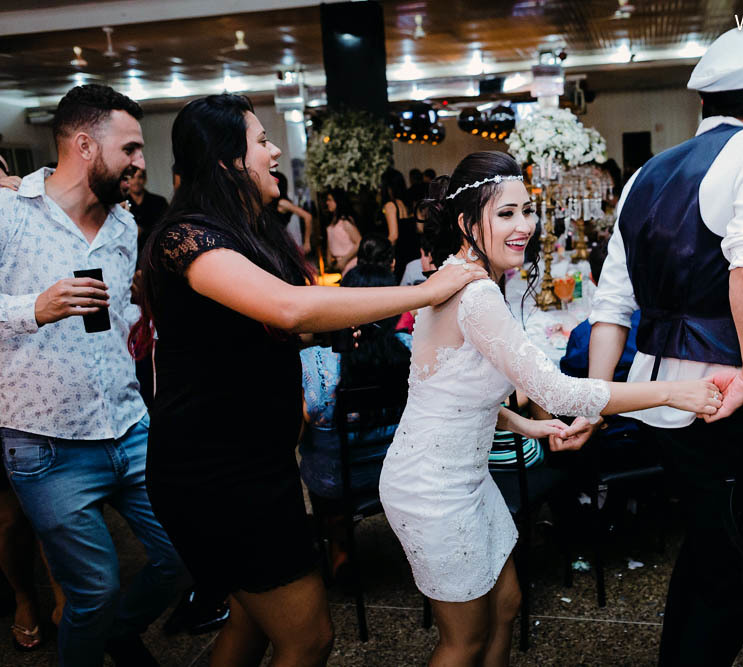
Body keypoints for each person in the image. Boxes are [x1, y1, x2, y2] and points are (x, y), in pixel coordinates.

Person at [134, 93, 486, 667]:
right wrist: (426, 291)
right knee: (308, 638)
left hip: (254, 462)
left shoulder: (246, 232)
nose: (275, 151)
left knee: (251, 623)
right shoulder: (185, 238)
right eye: (261, 140)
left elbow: (266, 328)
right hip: (216, 473)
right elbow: (289, 307)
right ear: (226, 160)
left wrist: (335, 329)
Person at [378, 150, 724, 667]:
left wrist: (527, 426)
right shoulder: (474, 293)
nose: (524, 226)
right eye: (506, 213)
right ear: (467, 223)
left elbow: (451, 392)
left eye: (527, 210)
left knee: (507, 604)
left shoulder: (465, 276)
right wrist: (672, 392)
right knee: (463, 641)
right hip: (431, 487)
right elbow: (558, 392)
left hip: (464, 477)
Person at [575, 28, 743, 665]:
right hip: (714, 397)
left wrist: (598, 401)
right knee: (732, 566)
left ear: (703, 102)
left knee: (707, 547)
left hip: (656, 399)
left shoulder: (646, 173)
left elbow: (611, 304)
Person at [0, 83, 186, 667]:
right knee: (94, 590)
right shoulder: (8, 213)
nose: (140, 162)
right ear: (84, 145)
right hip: (46, 444)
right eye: (130, 148)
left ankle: (116, 634)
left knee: (182, 555)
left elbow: (117, 315)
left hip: (130, 428)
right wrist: (35, 308)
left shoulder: (125, 226)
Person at [299, 263, 412, 580]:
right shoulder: (413, 352)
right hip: (399, 474)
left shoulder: (315, 365)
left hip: (337, 486)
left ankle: (339, 547)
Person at [380, 168, 420, 283]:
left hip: (400, 254)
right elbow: (418, 228)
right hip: (413, 250)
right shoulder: (408, 203)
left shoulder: (390, 205)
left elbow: (393, 236)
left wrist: (381, 252)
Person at [125, 168, 168, 253]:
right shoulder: (120, 204)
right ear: (127, 181)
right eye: (132, 177)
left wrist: (143, 231)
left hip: (154, 250)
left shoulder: (159, 202)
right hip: (129, 252)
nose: (136, 181)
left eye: (140, 177)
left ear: (145, 179)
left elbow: (166, 227)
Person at [271, 171, 313, 256]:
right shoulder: (271, 202)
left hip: (281, 244)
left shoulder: (282, 203)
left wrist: (307, 242)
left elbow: (308, 216)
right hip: (275, 243)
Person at [323, 188, 360, 274]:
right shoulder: (332, 221)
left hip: (350, 263)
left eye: (330, 200)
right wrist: (329, 258)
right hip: (340, 263)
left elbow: (359, 242)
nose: (327, 203)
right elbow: (330, 241)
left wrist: (345, 259)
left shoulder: (345, 221)